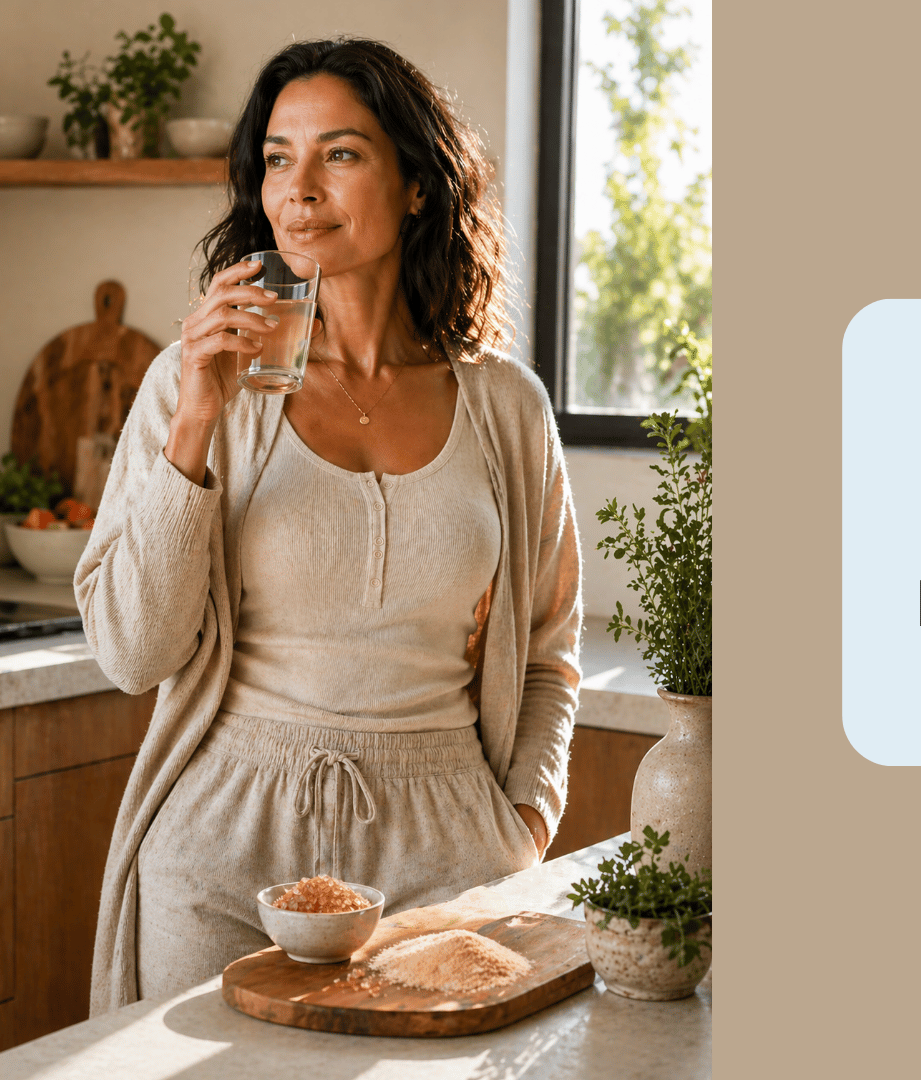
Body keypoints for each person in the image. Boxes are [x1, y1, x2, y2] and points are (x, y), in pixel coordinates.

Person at [78, 37, 583, 1011]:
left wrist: (522, 818)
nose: (298, 188)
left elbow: (548, 650)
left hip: (446, 845)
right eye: (277, 157)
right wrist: (195, 422)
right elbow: (134, 654)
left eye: (340, 154)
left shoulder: (506, 408)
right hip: (225, 844)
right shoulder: (193, 384)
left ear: (418, 188)